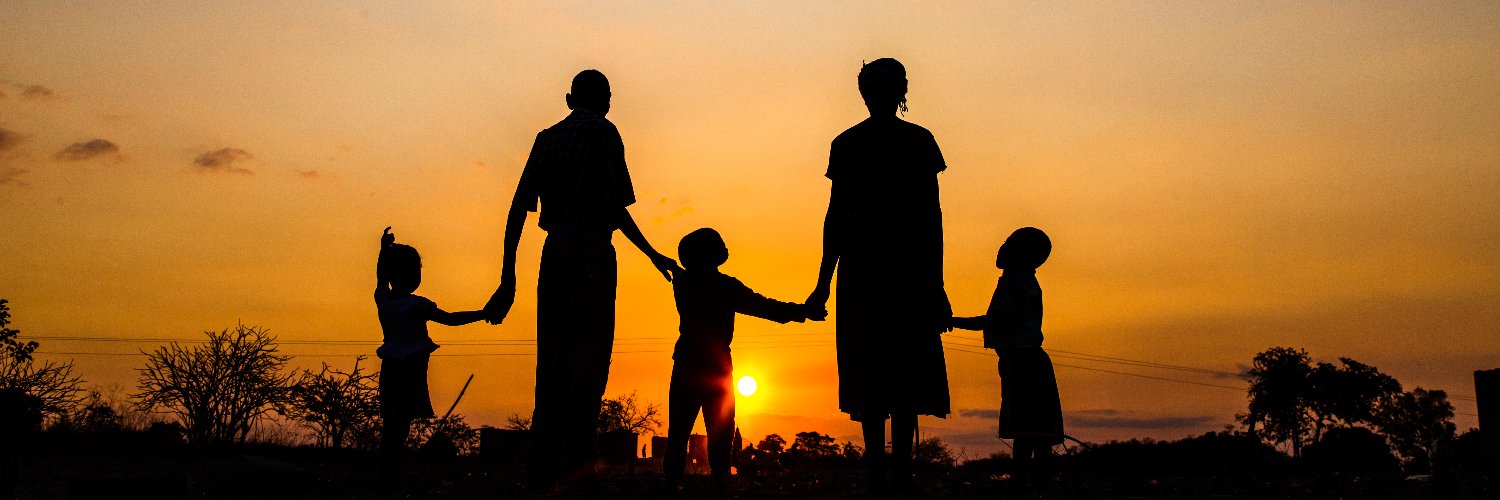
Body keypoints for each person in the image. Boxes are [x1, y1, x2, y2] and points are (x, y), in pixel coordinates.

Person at [483, 69, 680, 488]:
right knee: (589, 358)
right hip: (591, 250)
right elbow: (614, 207)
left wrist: (507, 277)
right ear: (607, 100)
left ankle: (543, 464)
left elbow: (518, 208)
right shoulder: (604, 133)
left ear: (569, 97)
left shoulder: (546, 138)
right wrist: (651, 253)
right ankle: (577, 466)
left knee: (551, 359)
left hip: (552, 252)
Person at [805, 57, 951, 491]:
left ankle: (886, 470)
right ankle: (891, 469)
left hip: (880, 271)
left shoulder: (857, 143)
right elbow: (929, 219)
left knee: (879, 368)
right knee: (892, 368)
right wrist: (822, 283)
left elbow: (928, 218)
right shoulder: (902, 142)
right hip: (889, 271)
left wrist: (822, 284)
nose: (875, 95)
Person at [663, 228, 825, 490]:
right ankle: (720, 481)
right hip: (716, 365)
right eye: (720, 245)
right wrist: (803, 311)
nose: (726, 249)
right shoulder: (725, 287)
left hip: (686, 361)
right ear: (709, 256)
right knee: (721, 430)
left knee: (679, 431)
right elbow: (765, 307)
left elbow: (675, 268)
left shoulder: (682, 282)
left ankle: (673, 482)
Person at [374, 227, 486, 496]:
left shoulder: (383, 299)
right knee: (400, 426)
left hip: (389, 369)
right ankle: (391, 482)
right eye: (416, 271)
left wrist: (382, 252)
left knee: (393, 426)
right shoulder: (417, 305)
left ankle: (388, 479)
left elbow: (379, 277)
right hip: (410, 371)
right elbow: (450, 319)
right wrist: (483, 314)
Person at [951, 227, 1062, 489]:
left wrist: (951, 321)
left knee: (1026, 428)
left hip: (1022, 361)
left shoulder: (1014, 282)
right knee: (1038, 429)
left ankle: (1022, 483)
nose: (1002, 247)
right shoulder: (1024, 280)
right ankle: (1037, 483)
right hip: (1030, 359)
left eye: (1009, 244)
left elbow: (994, 321)